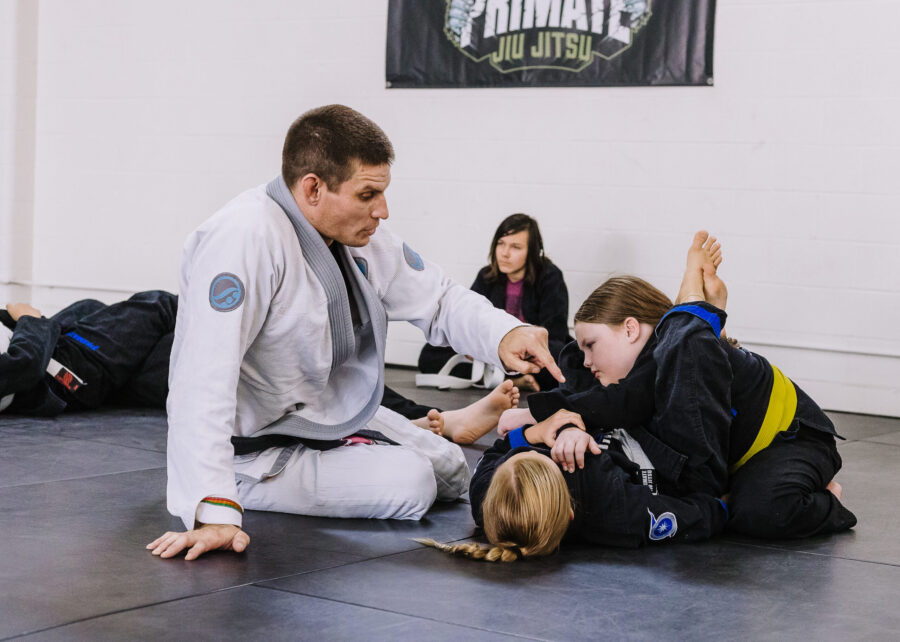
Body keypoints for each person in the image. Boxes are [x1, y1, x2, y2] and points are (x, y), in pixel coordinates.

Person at [148, 104, 563, 562]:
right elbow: (201, 379)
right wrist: (214, 509)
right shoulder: (243, 239)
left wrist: (506, 334)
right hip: (253, 448)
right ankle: (240, 485)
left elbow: (438, 298)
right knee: (413, 486)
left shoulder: (355, 238)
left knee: (451, 469)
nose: (382, 211)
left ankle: (378, 438)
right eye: (368, 194)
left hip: (325, 415)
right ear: (313, 189)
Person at [421, 231, 856, 561]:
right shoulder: (612, 512)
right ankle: (697, 310)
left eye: (594, 344)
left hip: (786, 435)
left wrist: (534, 434)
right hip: (760, 453)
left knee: (587, 366)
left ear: (630, 329)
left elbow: (495, 465)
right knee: (759, 512)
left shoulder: (496, 494)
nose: (588, 359)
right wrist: (555, 417)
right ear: (570, 514)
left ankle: (698, 318)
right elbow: (629, 409)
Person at [417, 213, 572, 391]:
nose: (505, 253)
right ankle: (512, 381)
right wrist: (474, 348)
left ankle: (496, 379)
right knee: (429, 355)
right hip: (491, 349)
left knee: (563, 357)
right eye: (501, 244)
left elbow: (555, 333)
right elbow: (467, 321)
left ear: (533, 251)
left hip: (526, 351)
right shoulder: (486, 276)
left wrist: (522, 352)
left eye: (515, 247)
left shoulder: (550, 276)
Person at [0, 291, 177, 415]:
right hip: (63, 373)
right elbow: (24, 365)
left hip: (46, 348)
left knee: (88, 307)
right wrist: (29, 320)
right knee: (158, 305)